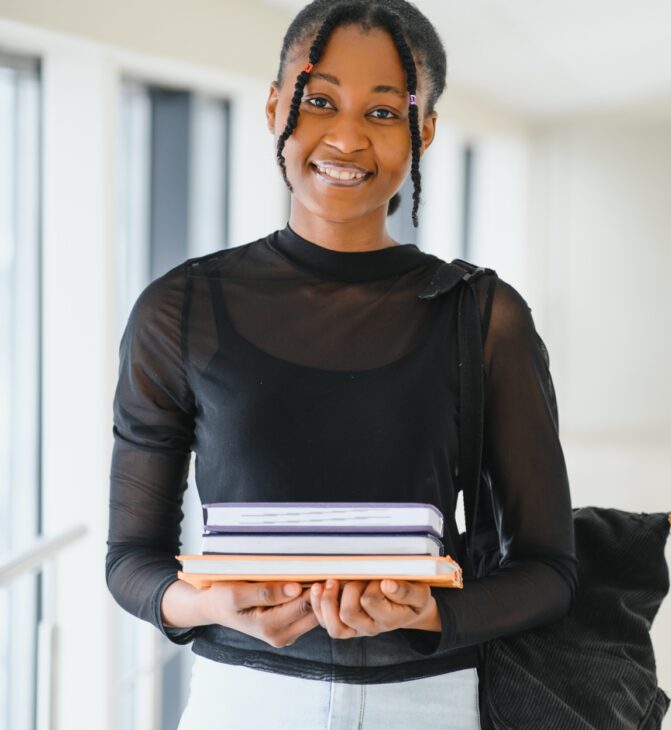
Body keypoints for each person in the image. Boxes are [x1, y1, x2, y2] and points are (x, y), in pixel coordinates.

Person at [105, 1, 577, 727]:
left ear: (423, 132)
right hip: (242, 699)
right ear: (275, 108)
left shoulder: (481, 316)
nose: (347, 137)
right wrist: (205, 602)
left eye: (384, 113)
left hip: (427, 703)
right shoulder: (181, 309)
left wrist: (432, 612)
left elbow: (549, 570)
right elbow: (132, 558)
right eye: (319, 101)